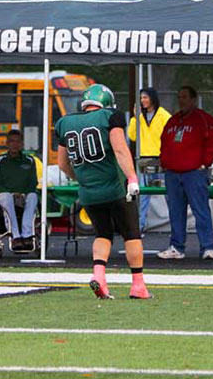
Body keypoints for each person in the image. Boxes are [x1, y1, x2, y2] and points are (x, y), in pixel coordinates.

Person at [56, 83, 151, 300]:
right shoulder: (110, 116)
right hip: (115, 189)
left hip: (88, 192)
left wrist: (82, 178)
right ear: (107, 102)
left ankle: (99, 275)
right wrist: (132, 177)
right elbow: (119, 149)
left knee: (103, 234)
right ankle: (138, 285)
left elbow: (62, 164)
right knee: (131, 234)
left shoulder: (65, 122)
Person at [158, 85, 213, 260]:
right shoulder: (172, 121)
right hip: (173, 173)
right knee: (175, 212)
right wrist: (165, 161)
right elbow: (164, 142)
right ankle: (176, 247)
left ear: (193, 100)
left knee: (200, 210)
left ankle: (207, 247)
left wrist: (205, 163)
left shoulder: (203, 119)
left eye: (185, 97)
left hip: (194, 173)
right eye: (179, 97)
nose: (181, 100)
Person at [127, 87, 171, 234]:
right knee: (144, 194)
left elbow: (172, 133)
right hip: (145, 160)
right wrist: (134, 117)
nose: (143, 101)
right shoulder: (139, 117)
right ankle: (140, 226)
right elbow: (132, 136)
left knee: (168, 194)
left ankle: (176, 225)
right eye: (141, 98)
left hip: (161, 160)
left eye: (145, 97)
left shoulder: (163, 115)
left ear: (152, 98)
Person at [0, 129, 39, 251]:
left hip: (24, 194)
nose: (15, 144)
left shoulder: (30, 160)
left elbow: (33, 182)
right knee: (7, 197)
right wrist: (12, 193)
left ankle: (28, 235)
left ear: (22, 144)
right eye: (12, 141)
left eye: (18, 141)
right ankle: (15, 236)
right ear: (7, 143)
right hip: (5, 194)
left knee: (33, 196)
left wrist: (23, 193)